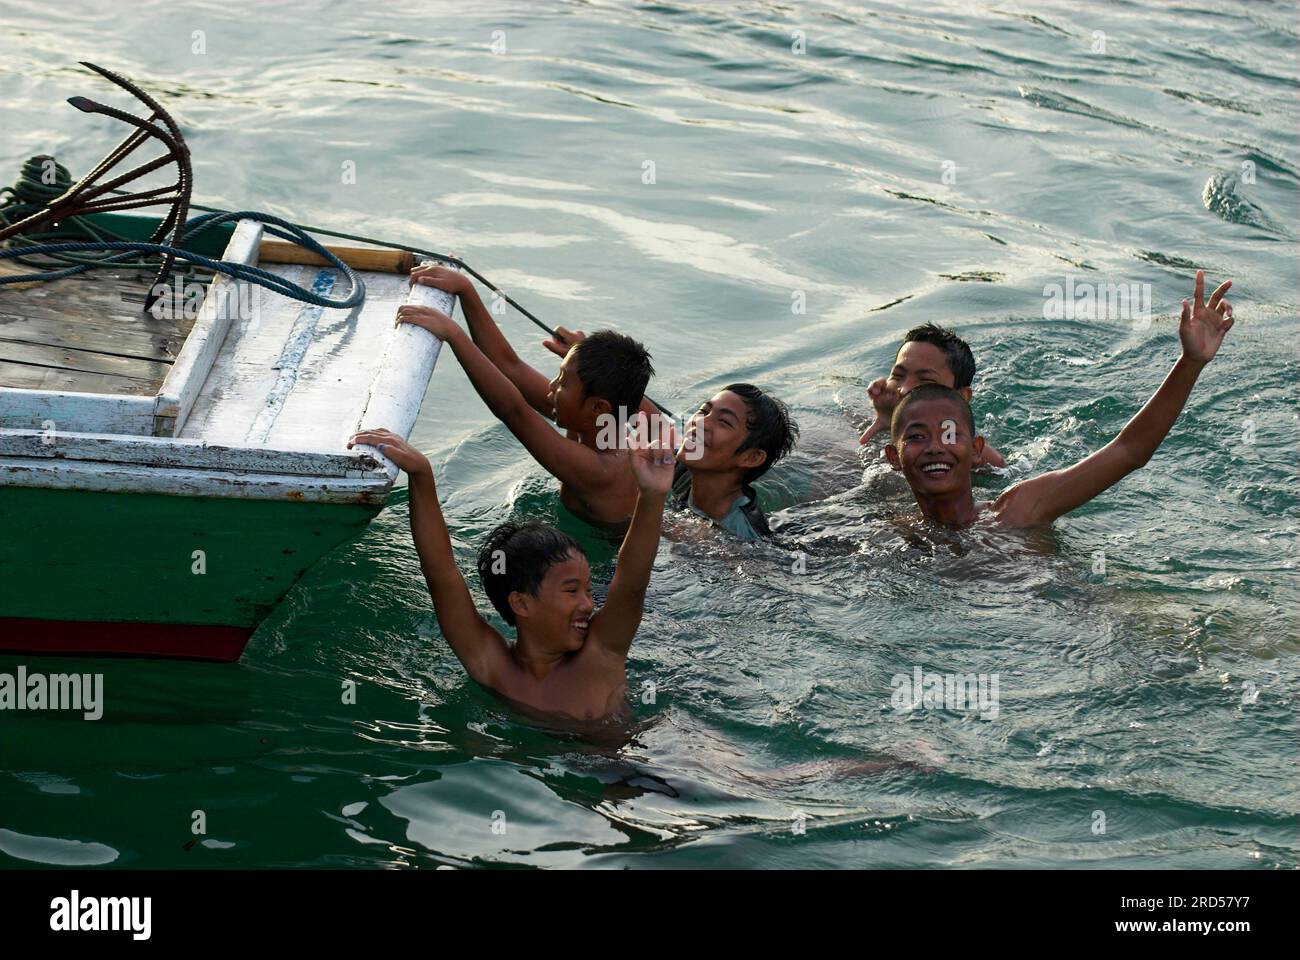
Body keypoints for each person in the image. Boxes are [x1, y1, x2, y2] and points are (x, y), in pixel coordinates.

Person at [347, 415, 677, 723]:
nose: (589, 604)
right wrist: (422, 475)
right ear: (520, 603)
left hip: (639, 774)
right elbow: (441, 574)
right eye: (572, 590)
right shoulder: (493, 666)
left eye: (588, 591)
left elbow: (631, 582)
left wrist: (652, 496)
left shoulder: (600, 654)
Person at [884, 272, 1233, 528]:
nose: (934, 447)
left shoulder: (1020, 510)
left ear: (977, 449)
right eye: (916, 436)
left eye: (948, 433)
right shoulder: (890, 534)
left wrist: (1190, 362)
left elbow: (1130, 451)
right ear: (894, 458)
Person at [394, 276, 654, 531]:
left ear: (598, 408)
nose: (552, 386)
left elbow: (514, 411)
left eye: (563, 382)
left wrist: (454, 335)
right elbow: (511, 367)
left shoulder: (603, 469)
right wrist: (466, 291)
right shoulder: (596, 422)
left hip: (616, 565)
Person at [858, 322, 1006, 468]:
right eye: (898, 375)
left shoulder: (975, 456)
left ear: (961, 397)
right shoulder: (864, 430)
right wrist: (890, 427)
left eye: (925, 380)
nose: (904, 389)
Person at [669, 383, 798, 540]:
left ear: (751, 457)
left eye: (724, 422)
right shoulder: (678, 469)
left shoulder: (743, 537)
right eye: (704, 411)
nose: (701, 422)